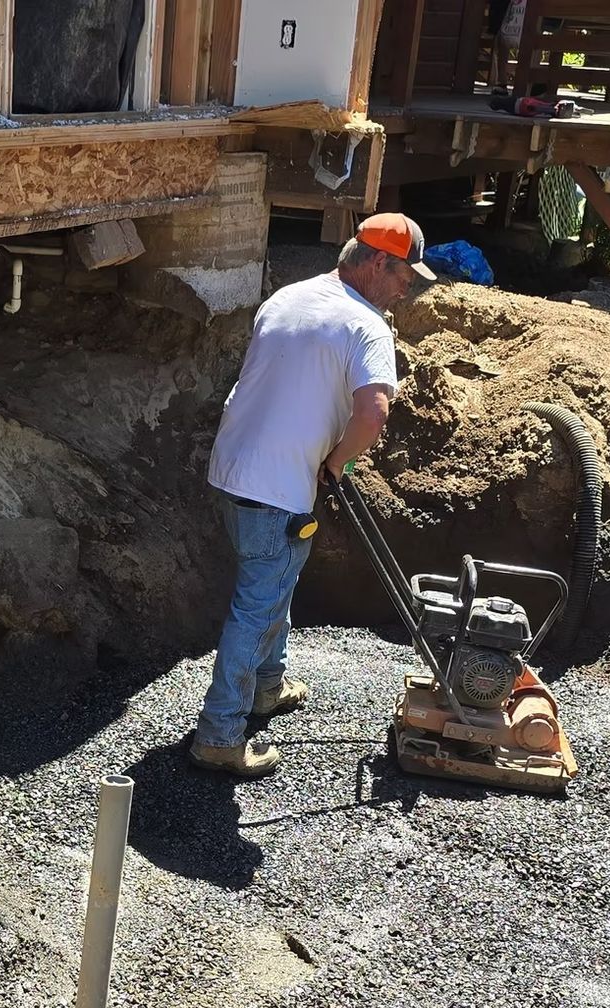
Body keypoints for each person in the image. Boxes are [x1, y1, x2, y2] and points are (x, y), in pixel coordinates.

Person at [189, 212, 434, 779]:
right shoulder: (366, 325)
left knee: (278, 575)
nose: (407, 289)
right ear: (378, 263)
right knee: (257, 604)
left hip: (232, 471)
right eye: (404, 277)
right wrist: (337, 461)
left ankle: (266, 688)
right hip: (277, 485)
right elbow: (374, 412)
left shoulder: (288, 298)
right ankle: (220, 735)